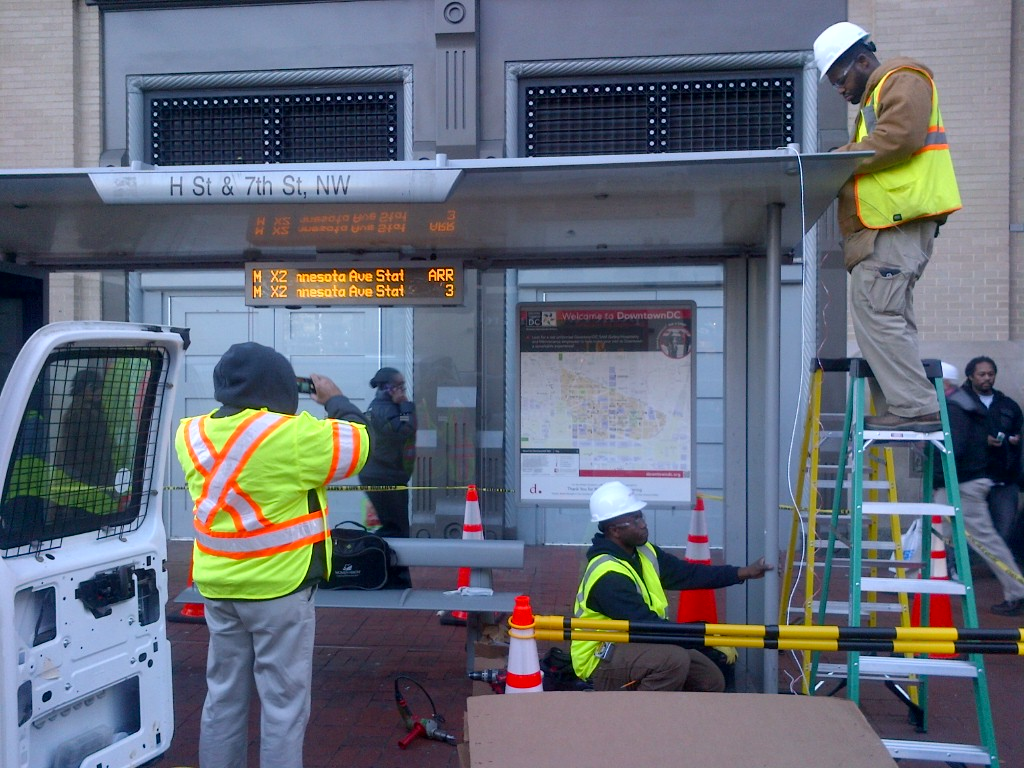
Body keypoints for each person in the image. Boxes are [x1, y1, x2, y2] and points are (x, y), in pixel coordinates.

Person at [175, 342, 369, 768]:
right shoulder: (291, 435)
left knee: (222, 698)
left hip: (218, 588)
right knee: (283, 706)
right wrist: (334, 398)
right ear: (278, 387)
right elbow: (359, 441)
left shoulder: (189, 433)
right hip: (280, 589)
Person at [813, 22, 961, 432]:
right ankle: (908, 406)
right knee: (884, 316)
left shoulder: (902, 78)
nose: (841, 90)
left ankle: (914, 409)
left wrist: (837, 159)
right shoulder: (877, 98)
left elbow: (900, 138)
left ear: (863, 60)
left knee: (879, 316)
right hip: (888, 230)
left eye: (841, 78)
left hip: (895, 227)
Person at [571, 481, 772, 691]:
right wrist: (704, 638)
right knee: (673, 661)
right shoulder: (607, 575)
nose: (643, 524)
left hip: (636, 643)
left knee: (709, 677)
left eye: (641, 516)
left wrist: (743, 572)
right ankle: (637, 719)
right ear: (615, 531)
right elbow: (647, 626)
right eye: (635, 519)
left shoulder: (644, 552)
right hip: (600, 660)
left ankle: (682, 720)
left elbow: (689, 574)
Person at [936, 356, 1024, 615]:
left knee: (985, 540)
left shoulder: (954, 406)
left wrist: (938, 473)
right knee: (933, 529)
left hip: (964, 484)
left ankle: (1017, 590)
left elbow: (956, 447)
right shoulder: (965, 404)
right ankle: (908, 576)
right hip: (966, 481)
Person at [359, 366, 417, 587]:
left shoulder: (382, 407)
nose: (403, 391)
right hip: (384, 478)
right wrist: (404, 404)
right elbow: (406, 428)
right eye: (399, 387)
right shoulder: (384, 409)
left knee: (393, 527)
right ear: (387, 388)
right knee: (397, 530)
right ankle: (392, 578)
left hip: (385, 476)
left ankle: (385, 574)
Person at [56, 368, 116, 487]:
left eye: (100, 386)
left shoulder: (96, 411)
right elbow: (68, 454)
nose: (98, 390)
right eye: (92, 386)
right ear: (80, 389)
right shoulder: (77, 414)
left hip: (99, 477)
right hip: (84, 479)